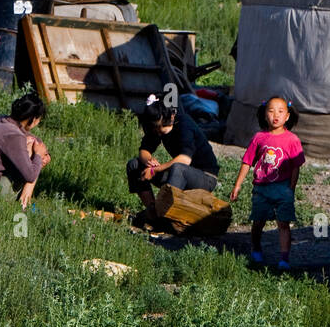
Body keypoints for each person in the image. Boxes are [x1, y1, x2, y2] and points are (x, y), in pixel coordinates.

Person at [230, 96, 304, 271]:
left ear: (287, 116)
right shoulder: (259, 138)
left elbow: (295, 168)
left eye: (280, 111)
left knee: (283, 223)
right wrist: (237, 185)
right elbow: (247, 162)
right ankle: (256, 247)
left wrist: (291, 189)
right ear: (264, 115)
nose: (275, 115)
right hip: (262, 188)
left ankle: (284, 259)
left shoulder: (292, 140)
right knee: (258, 221)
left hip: (283, 187)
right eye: (271, 111)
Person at [127, 92, 220, 221]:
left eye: (162, 130)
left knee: (178, 168)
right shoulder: (157, 125)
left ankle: (164, 214)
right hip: (181, 174)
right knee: (134, 165)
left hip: (205, 177)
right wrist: (149, 161)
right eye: (156, 130)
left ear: (171, 117)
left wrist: (155, 170)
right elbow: (144, 150)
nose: (159, 132)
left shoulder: (184, 124)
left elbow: (185, 160)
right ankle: (153, 211)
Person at [0, 92, 50, 210]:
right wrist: (38, 155)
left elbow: (29, 136)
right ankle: (24, 203)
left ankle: (25, 201)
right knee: (32, 156)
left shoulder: (4, 121)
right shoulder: (14, 135)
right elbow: (30, 175)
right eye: (38, 120)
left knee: (31, 148)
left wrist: (43, 153)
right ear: (32, 119)